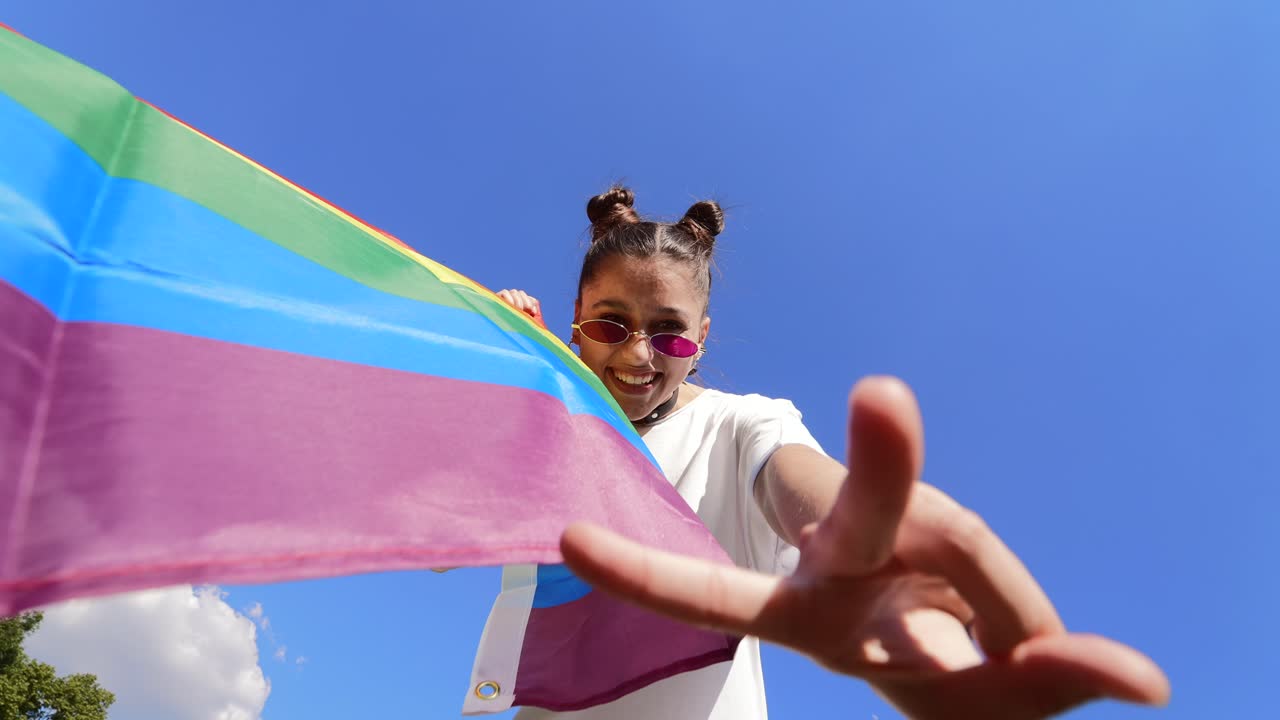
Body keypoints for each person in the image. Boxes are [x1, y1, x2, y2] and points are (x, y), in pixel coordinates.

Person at [495, 187, 1169, 720]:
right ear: (575, 317)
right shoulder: (552, 433)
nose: (639, 354)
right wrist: (510, 379)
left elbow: (793, 473)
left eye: (670, 335)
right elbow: (451, 519)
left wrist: (863, 535)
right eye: (610, 323)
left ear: (701, 341)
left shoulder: (740, 421)